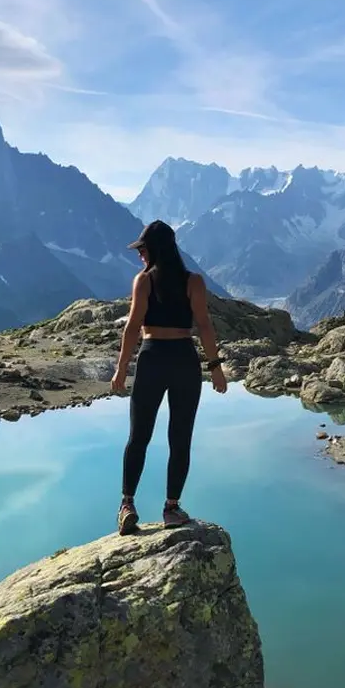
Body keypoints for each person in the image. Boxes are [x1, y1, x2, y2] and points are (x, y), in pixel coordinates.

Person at [110, 219, 228, 535]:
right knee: (180, 438)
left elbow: (133, 327)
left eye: (143, 249)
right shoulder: (195, 282)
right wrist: (215, 367)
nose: (140, 255)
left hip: (152, 359)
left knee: (139, 435)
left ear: (155, 250)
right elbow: (204, 325)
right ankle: (172, 508)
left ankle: (127, 504)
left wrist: (122, 367)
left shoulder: (144, 281)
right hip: (184, 362)